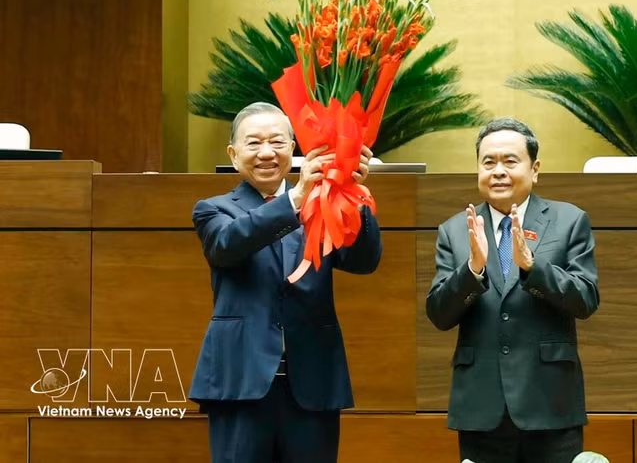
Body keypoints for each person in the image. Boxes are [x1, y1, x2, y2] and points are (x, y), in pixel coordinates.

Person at [189, 102, 382, 463]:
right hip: (241, 383)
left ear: (292, 148)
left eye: (277, 142)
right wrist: (296, 198)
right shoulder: (213, 209)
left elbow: (363, 262)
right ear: (233, 154)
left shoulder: (323, 204)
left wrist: (352, 192)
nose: (266, 152)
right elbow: (227, 246)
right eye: (254, 143)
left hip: (312, 382)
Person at [427, 117, 599, 463]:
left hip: (550, 401)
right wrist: (472, 269)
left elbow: (585, 299)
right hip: (481, 406)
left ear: (534, 169)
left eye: (510, 161)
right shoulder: (455, 231)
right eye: (488, 162)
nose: (498, 171)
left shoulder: (568, 221)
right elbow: (439, 314)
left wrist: (534, 268)